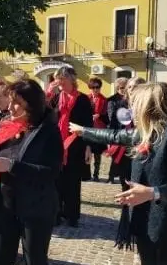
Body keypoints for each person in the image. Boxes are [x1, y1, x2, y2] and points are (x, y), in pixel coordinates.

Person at [72, 82, 167, 264]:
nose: (132, 109)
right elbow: (116, 136)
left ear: (149, 106)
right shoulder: (148, 130)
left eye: (135, 104)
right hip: (147, 221)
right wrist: (84, 131)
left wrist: (152, 192)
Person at [0, 78, 62, 265]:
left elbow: (50, 172)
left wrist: (12, 166)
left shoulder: (48, 131)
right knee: (2, 257)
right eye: (10, 101)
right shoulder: (6, 126)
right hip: (4, 205)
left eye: (17, 103)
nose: (10, 107)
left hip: (35, 208)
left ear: (32, 105)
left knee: (34, 260)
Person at [48, 65, 93, 227]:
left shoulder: (82, 99)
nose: (58, 80)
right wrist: (48, 95)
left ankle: (72, 215)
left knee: (73, 183)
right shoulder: (55, 98)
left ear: (71, 80)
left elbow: (88, 124)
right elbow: (46, 116)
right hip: (56, 145)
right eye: (57, 77)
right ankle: (57, 213)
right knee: (56, 182)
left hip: (76, 146)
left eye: (61, 77)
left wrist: (89, 147)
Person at [106, 76, 132, 184]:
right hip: (118, 132)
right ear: (117, 88)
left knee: (127, 158)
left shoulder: (131, 99)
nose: (123, 90)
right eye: (121, 87)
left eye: (126, 87)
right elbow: (111, 118)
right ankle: (113, 176)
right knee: (116, 156)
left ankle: (125, 179)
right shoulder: (112, 100)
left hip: (131, 133)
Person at [87, 77, 110, 181]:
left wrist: (99, 116)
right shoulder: (86, 98)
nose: (96, 89)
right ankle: (86, 174)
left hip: (99, 130)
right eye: (94, 87)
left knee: (97, 154)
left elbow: (107, 115)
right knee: (86, 152)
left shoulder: (104, 100)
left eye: (98, 87)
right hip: (87, 129)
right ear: (90, 88)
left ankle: (96, 175)